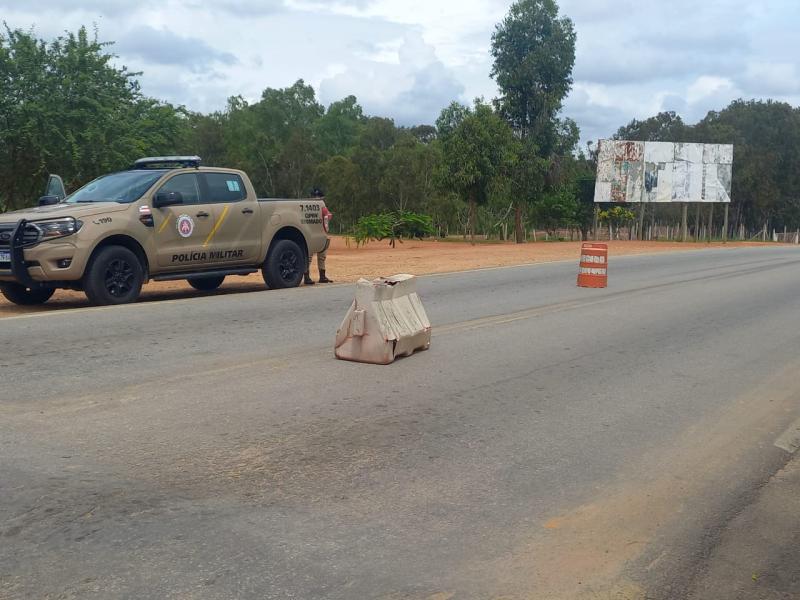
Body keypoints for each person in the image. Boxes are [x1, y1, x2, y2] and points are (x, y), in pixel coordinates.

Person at [304, 189, 333, 285]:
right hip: (319, 233)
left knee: (314, 256)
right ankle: (318, 276)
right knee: (318, 255)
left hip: (311, 233)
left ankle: (310, 276)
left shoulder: (307, 205)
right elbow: (328, 217)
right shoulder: (322, 205)